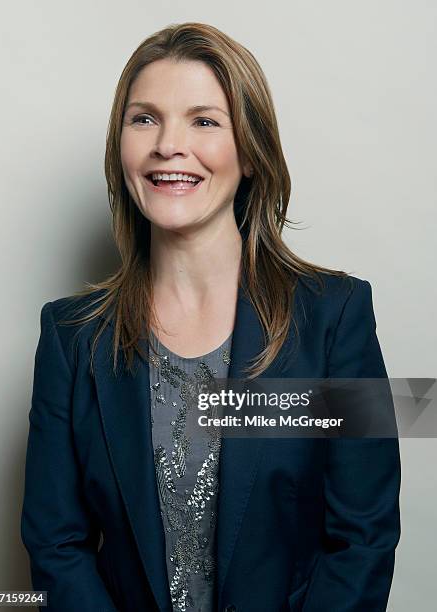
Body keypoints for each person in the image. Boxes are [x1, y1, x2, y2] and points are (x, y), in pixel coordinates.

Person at [20, 22, 401, 612]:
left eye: (204, 120)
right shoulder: (70, 337)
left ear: (249, 151)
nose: (169, 144)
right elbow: (55, 544)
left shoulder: (337, 318)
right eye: (144, 118)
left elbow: (363, 541)